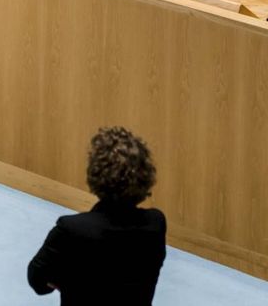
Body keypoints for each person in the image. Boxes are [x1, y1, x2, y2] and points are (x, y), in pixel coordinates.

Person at [27, 126, 166, 305]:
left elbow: (37, 279)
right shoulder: (156, 223)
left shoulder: (71, 228)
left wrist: (67, 282)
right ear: (145, 176)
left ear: (95, 175)